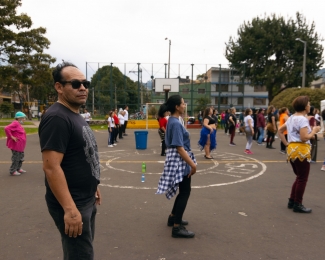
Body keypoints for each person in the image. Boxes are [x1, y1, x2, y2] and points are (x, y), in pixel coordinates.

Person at [38, 62, 101, 260]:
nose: (82, 88)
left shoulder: (75, 114)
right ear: (59, 87)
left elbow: (81, 155)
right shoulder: (57, 117)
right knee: (80, 256)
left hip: (85, 198)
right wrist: (70, 209)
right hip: (73, 203)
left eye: (85, 83)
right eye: (75, 84)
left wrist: (93, 184)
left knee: (80, 252)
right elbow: (51, 167)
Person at [156, 95, 197, 238]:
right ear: (176, 107)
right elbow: (180, 147)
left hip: (178, 160)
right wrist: (193, 165)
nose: (184, 105)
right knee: (185, 191)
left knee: (183, 191)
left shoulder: (174, 121)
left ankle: (173, 217)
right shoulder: (175, 123)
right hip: (181, 162)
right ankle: (177, 227)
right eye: (183, 103)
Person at [278, 96, 320, 213]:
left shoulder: (291, 117)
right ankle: (298, 203)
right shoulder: (302, 119)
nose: (309, 106)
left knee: (299, 177)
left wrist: (287, 144)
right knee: (302, 178)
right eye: (308, 104)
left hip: (292, 149)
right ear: (305, 106)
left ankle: (292, 200)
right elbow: (304, 137)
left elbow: (280, 131)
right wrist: (314, 131)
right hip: (301, 150)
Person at [4, 111, 27, 176]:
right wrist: (11, 136)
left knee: (21, 157)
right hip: (16, 145)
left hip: (20, 146)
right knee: (16, 158)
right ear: (19, 118)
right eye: (23, 118)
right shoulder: (15, 123)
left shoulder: (19, 124)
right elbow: (6, 128)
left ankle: (18, 168)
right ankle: (13, 170)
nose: (24, 120)